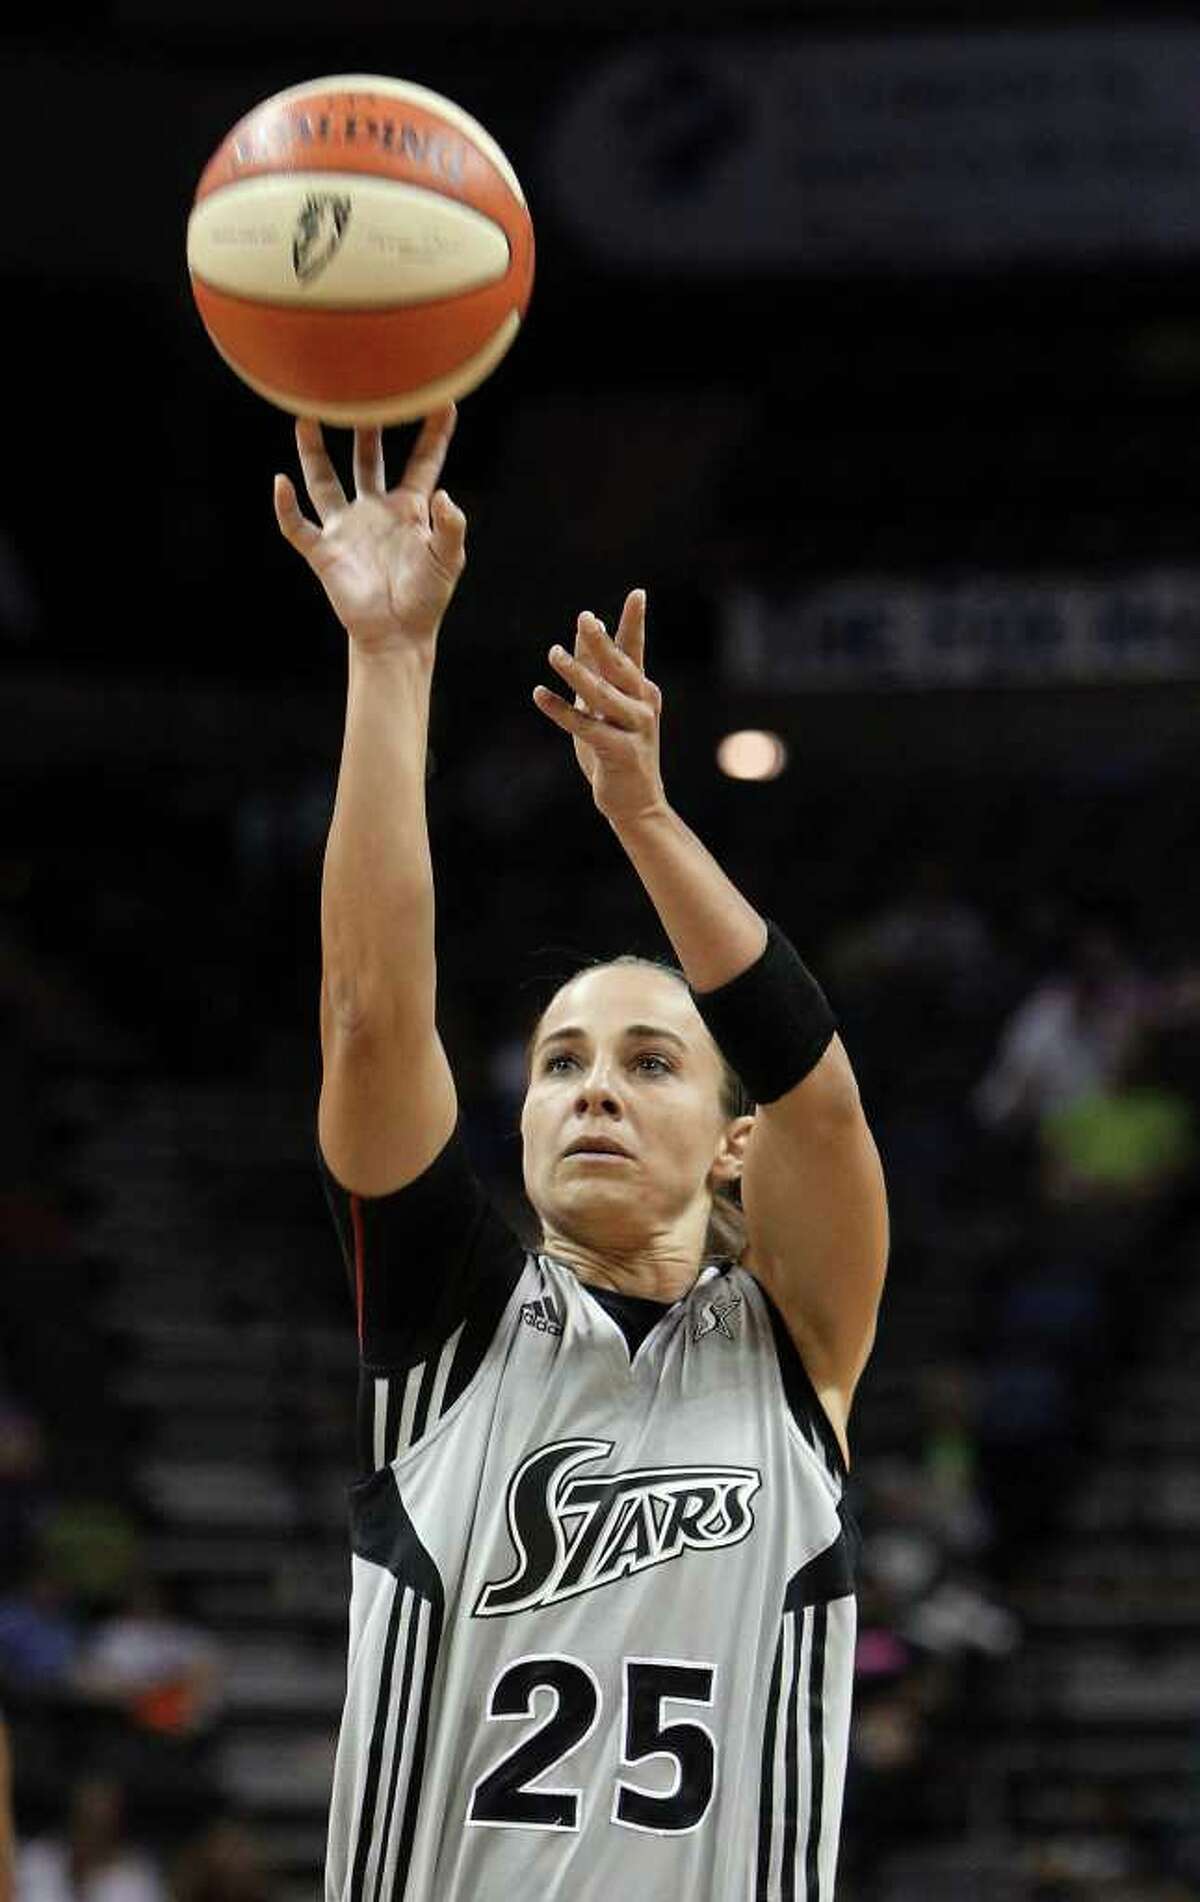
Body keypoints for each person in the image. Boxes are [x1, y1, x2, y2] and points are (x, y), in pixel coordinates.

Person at [274, 406, 890, 1900]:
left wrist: (648, 814)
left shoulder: (798, 1341)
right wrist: (388, 656)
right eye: (560, 1063)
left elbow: (821, 1097)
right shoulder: (452, 1324)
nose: (593, 1091)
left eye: (647, 1059)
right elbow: (368, 1016)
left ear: (730, 1142)